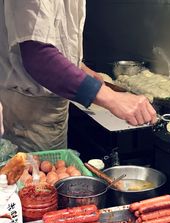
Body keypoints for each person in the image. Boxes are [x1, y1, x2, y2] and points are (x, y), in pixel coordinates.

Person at [0, 1, 157, 152]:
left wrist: (80, 68)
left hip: (51, 108)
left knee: (55, 169)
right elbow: (39, 57)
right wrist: (113, 98)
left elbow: (52, 37)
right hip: (28, 115)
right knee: (34, 176)